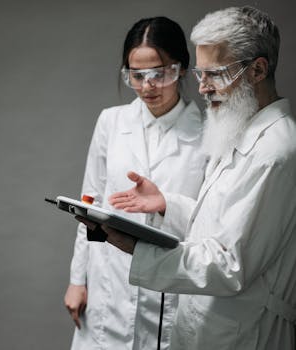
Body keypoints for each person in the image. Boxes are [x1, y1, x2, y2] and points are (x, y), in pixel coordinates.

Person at [102, 6, 296, 350]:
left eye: (215, 74)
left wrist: (138, 249)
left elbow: (230, 264)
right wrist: (168, 204)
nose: (203, 88)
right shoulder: (243, 132)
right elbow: (223, 227)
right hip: (212, 325)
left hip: (245, 332)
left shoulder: (275, 153)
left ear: (258, 70)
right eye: (200, 74)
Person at [65, 17, 207, 350]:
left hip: (168, 291)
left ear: (182, 68)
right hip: (107, 285)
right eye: (136, 76)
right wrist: (77, 280)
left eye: (159, 73)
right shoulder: (111, 122)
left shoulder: (207, 133)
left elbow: (209, 222)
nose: (147, 86)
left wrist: (166, 204)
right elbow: (91, 204)